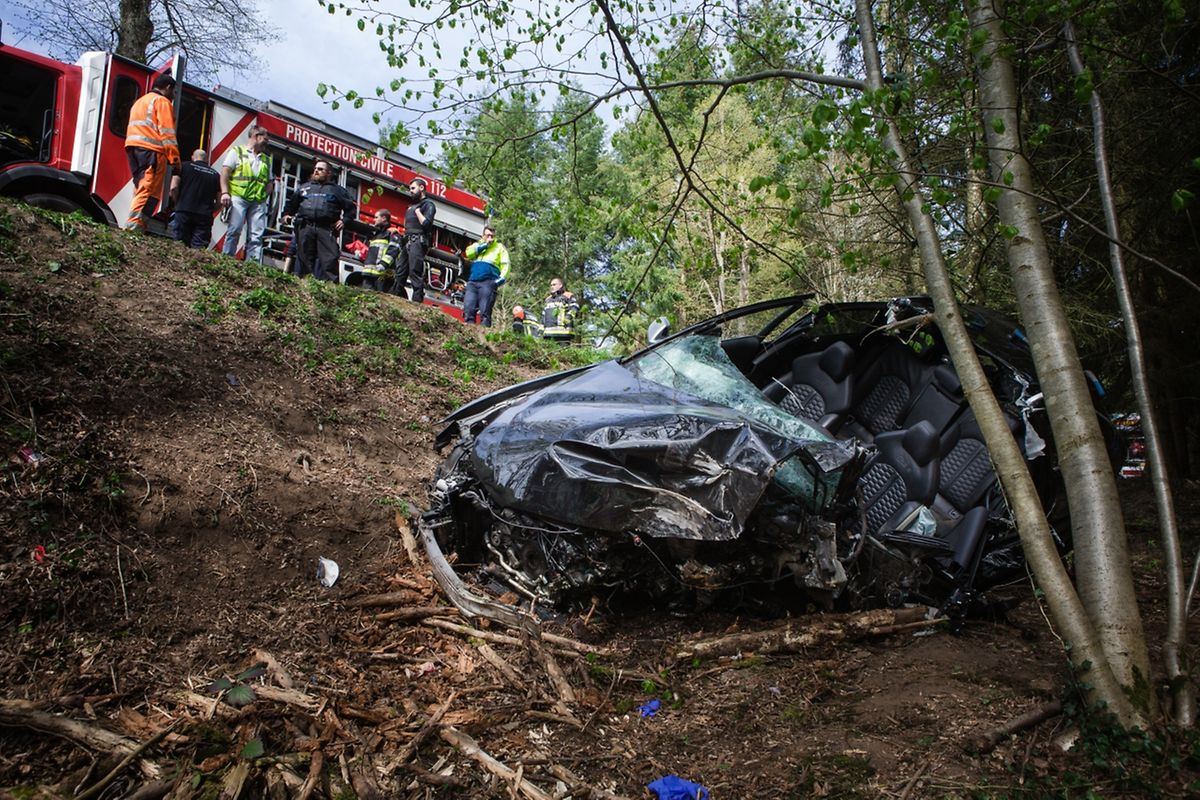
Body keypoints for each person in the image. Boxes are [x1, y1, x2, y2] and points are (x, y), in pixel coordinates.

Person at [124, 73, 181, 231]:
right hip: (152, 151)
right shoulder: (162, 101)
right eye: (174, 91)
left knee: (142, 187)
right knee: (148, 189)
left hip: (134, 148)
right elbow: (167, 133)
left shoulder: (140, 101)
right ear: (168, 88)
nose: (174, 96)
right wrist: (175, 160)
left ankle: (136, 224)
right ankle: (133, 227)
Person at [282, 161, 356, 282]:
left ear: (328, 173)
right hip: (305, 227)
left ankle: (330, 289)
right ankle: (302, 285)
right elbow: (291, 204)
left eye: (321, 169)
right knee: (304, 257)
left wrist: (345, 220)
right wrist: (286, 215)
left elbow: (351, 209)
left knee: (329, 259)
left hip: (326, 229)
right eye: (315, 168)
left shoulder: (337, 191)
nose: (316, 171)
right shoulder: (304, 187)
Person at [220, 126, 273, 261]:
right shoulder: (237, 152)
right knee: (235, 229)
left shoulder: (267, 159)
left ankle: (253, 264)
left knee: (256, 235)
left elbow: (269, 182)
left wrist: (264, 196)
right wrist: (225, 193)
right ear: (257, 136)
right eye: (265, 139)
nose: (267, 143)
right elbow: (225, 172)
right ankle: (227, 259)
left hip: (258, 201)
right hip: (239, 197)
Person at [392, 178, 436, 303]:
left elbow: (427, 224)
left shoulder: (428, 204)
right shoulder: (412, 206)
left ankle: (417, 302)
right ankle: (395, 299)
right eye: (410, 189)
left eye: (413, 188)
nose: (410, 191)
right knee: (400, 271)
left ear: (421, 188)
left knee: (415, 272)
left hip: (417, 241)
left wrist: (417, 212)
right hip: (407, 242)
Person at [169, 149, 221, 248]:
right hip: (204, 215)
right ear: (206, 159)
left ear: (193, 157)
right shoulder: (216, 175)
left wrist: (177, 202)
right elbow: (220, 200)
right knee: (199, 248)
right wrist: (211, 210)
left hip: (184, 210)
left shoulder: (183, 166)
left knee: (179, 246)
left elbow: (173, 187)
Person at [461, 225, 510, 326]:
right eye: (488, 235)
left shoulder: (499, 247)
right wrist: (484, 246)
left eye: (492, 236)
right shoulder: (477, 245)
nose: (490, 238)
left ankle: (484, 337)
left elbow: (506, 266)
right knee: (468, 309)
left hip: (488, 283)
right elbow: (468, 253)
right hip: (473, 281)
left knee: (485, 312)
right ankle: (469, 336)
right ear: (483, 236)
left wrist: (497, 282)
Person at [351, 209, 403, 291]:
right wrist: (360, 254)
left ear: (383, 218)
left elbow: (394, 250)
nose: (374, 219)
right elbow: (369, 251)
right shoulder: (374, 234)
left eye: (376, 217)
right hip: (368, 273)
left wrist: (383, 264)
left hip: (383, 275)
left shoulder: (391, 234)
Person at [541, 277, 580, 342]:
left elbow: (575, 307)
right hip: (548, 334)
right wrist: (541, 328)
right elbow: (543, 315)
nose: (552, 287)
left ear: (560, 285)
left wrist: (569, 316)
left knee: (564, 352)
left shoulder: (568, 296)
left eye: (554, 284)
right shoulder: (548, 299)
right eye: (551, 285)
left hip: (564, 333)